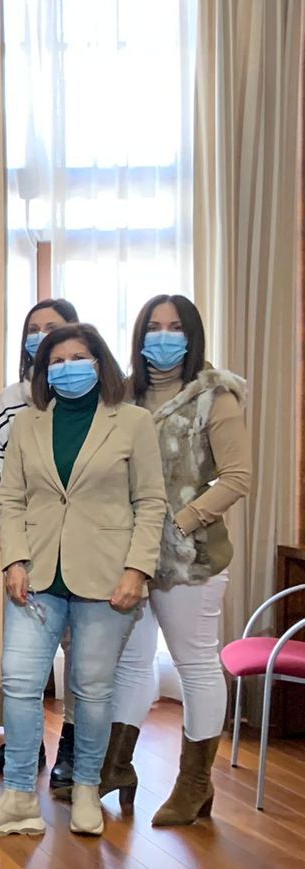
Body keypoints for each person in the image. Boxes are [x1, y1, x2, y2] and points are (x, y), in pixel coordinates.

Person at [0, 324, 165, 839]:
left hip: (107, 576)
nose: (66, 367)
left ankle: (85, 789)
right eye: (56, 360)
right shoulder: (30, 424)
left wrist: (137, 570)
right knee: (19, 682)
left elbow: (151, 503)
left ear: (100, 362)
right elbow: (11, 500)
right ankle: (16, 799)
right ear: (42, 370)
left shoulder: (134, 422)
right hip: (35, 576)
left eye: (78, 357)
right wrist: (12, 561)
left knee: (92, 690)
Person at [107, 295, 249, 826]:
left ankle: (195, 785)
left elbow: (238, 478)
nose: (163, 337)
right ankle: (117, 766)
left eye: (175, 327)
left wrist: (179, 523)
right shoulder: (122, 395)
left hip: (191, 559)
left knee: (195, 665)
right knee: (130, 662)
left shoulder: (217, 396)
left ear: (192, 336)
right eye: (153, 327)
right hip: (128, 553)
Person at [0, 298, 80, 784]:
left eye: (53, 328)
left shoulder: (104, 400)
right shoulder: (11, 399)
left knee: (81, 657)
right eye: (33, 329)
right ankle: (26, 749)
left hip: (87, 551)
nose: (42, 337)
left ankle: (73, 751)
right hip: (28, 545)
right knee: (24, 661)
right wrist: (14, 547)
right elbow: (2, 480)